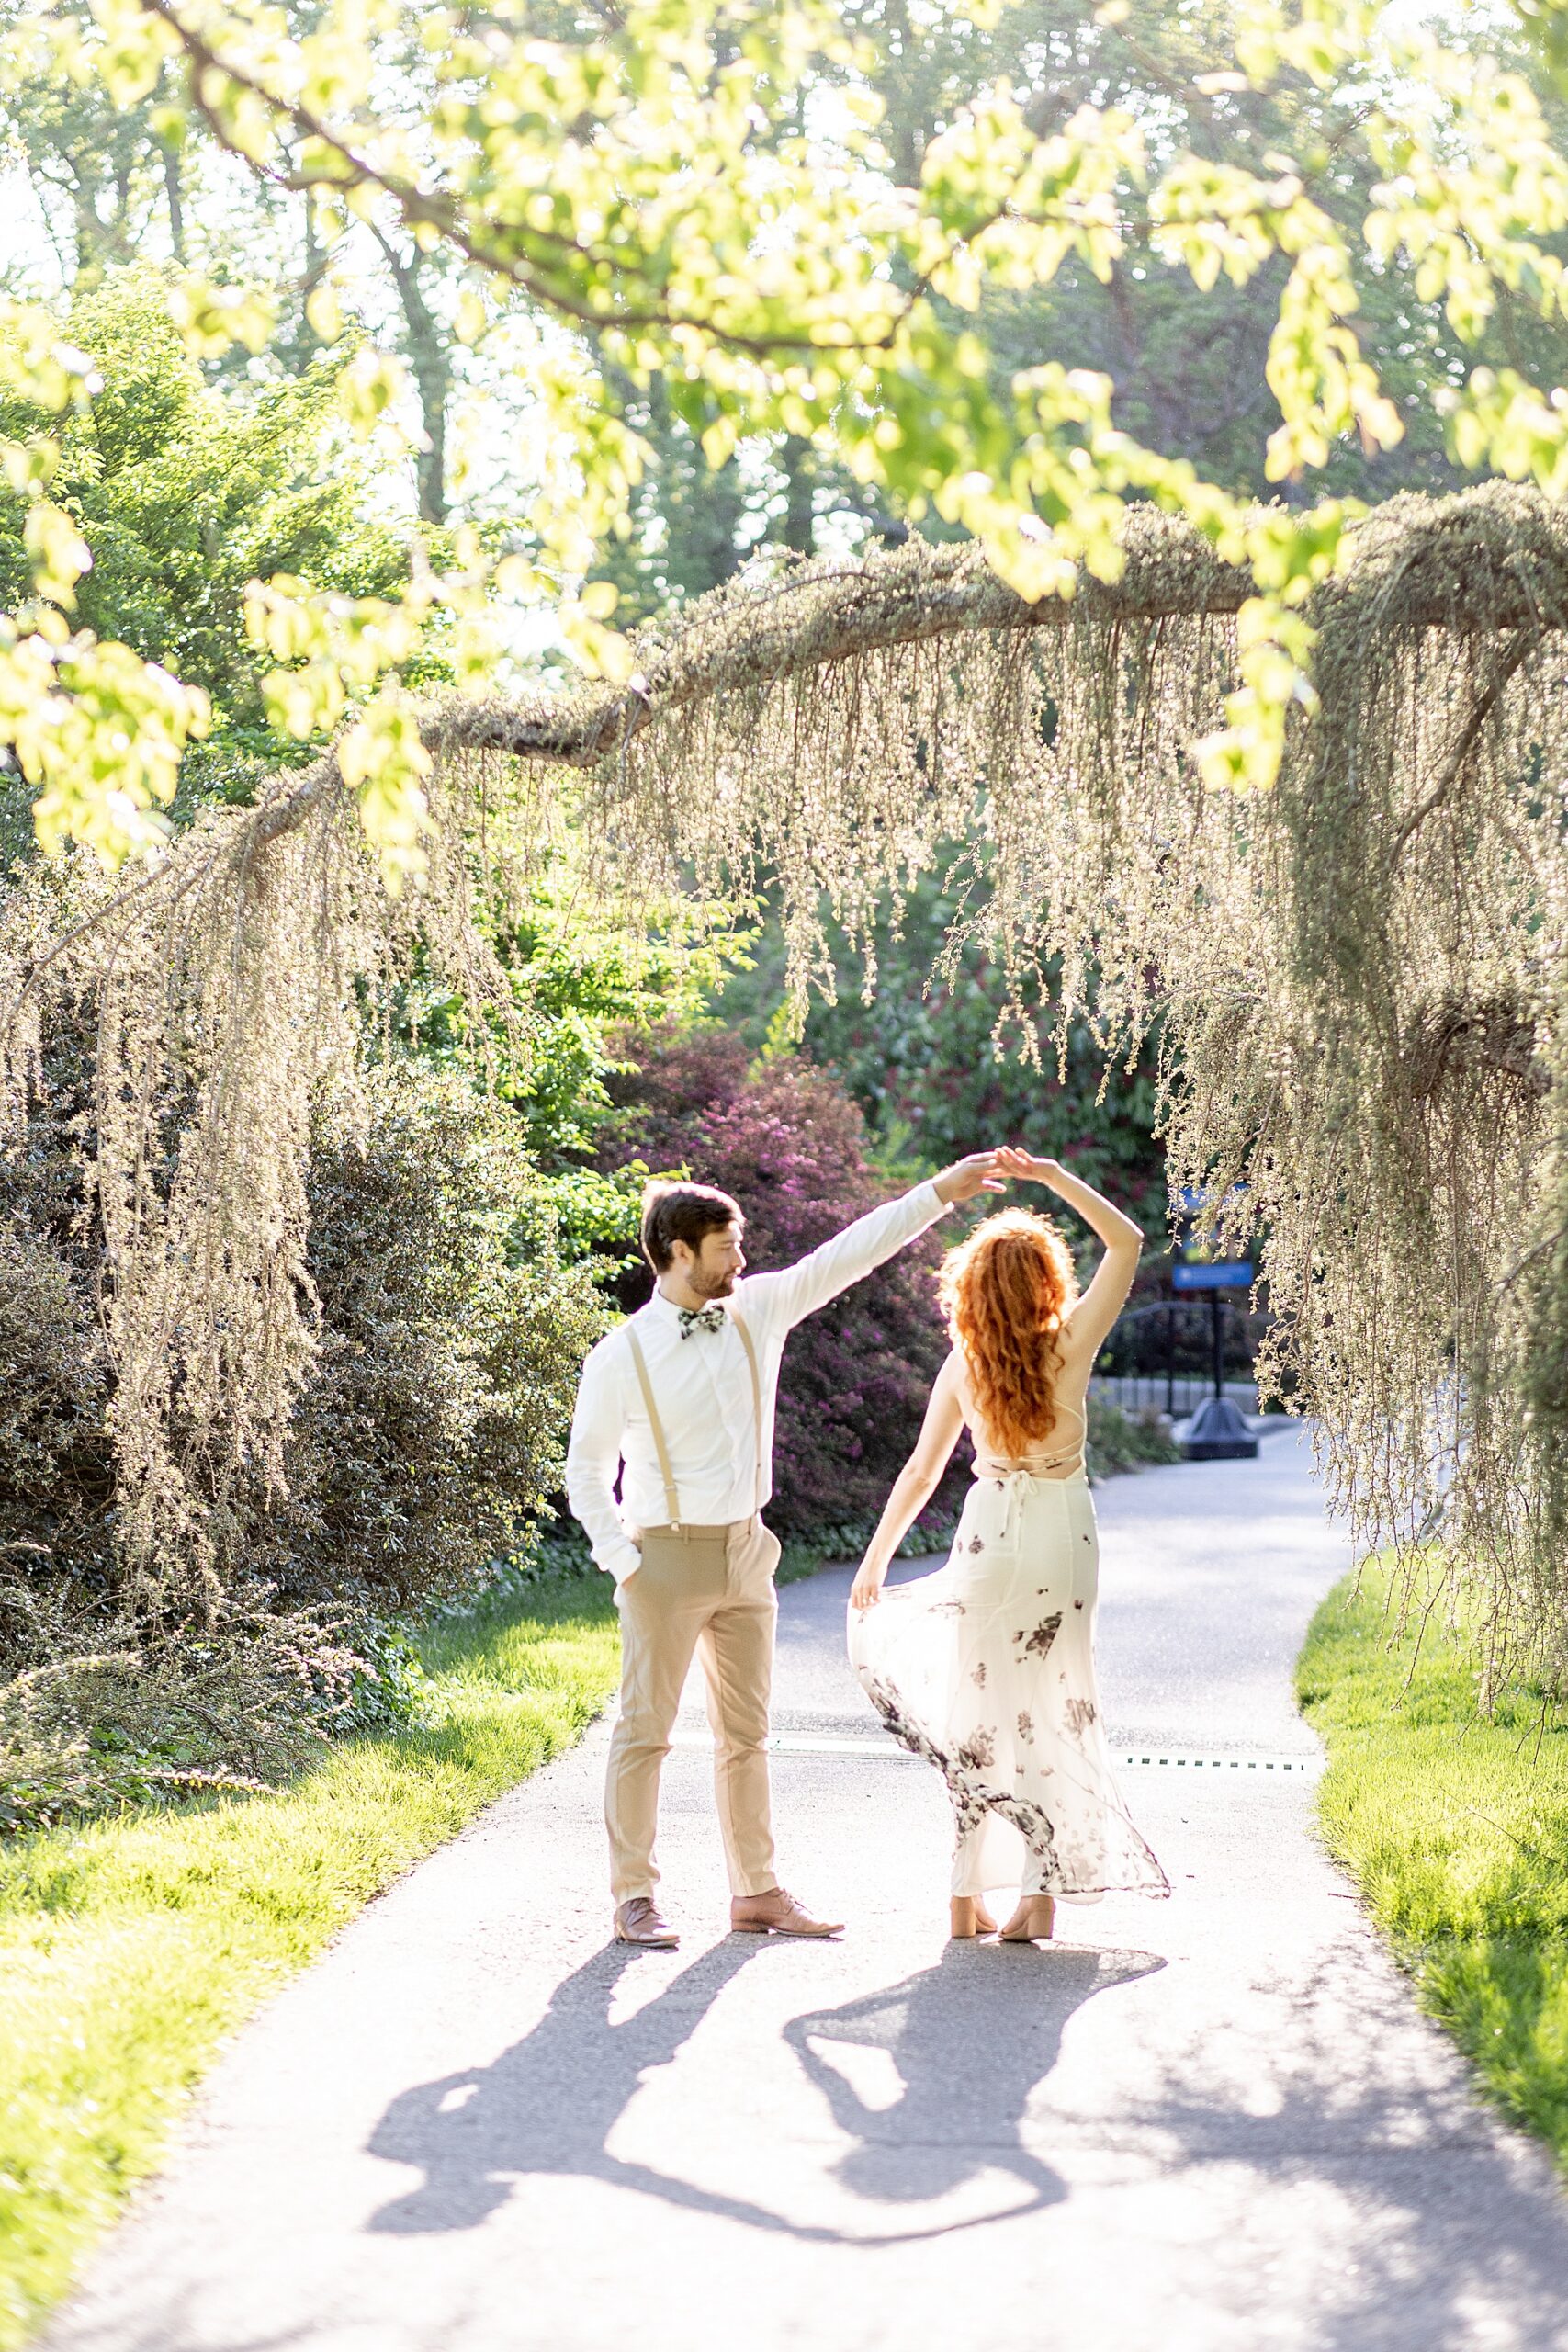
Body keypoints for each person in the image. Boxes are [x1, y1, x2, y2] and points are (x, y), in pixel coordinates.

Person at [567, 1151, 1007, 1949]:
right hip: (660, 1560)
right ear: (677, 1254)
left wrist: (943, 1191)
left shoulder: (757, 1310)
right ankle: (634, 1895)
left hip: (745, 1554)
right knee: (645, 1733)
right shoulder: (620, 1355)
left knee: (747, 1735)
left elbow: (851, 1251)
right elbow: (586, 1473)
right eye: (726, 1247)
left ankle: (757, 1893)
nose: (742, 1259)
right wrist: (625, 1562)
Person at [848, 1146, 1170, 1941]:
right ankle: (1036, 1898)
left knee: (980, 1718)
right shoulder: (1071, 1344)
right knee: (1053, 1707)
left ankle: (964, 1901)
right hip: (1060, 1532)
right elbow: (1126, 1242)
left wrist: (876, 1558)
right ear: (1049, 1284)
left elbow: (922, 1473)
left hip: (988, 1534)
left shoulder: (964, 1365)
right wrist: (1053, 1177)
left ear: (973, 1291)